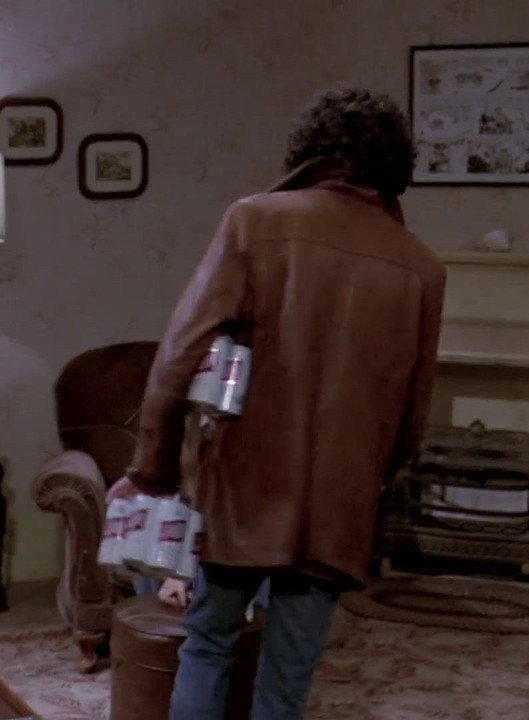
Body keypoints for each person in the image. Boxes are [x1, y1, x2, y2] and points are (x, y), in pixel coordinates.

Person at [109, 85, 446, 719]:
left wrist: (150, 471)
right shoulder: (422, 267)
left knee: (208, 645)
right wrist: (370, 483)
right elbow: (412, 418)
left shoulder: (254, 222)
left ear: (311, 148)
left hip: (246, 490)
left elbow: (177, 358)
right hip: (337, 507)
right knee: (287, 682)